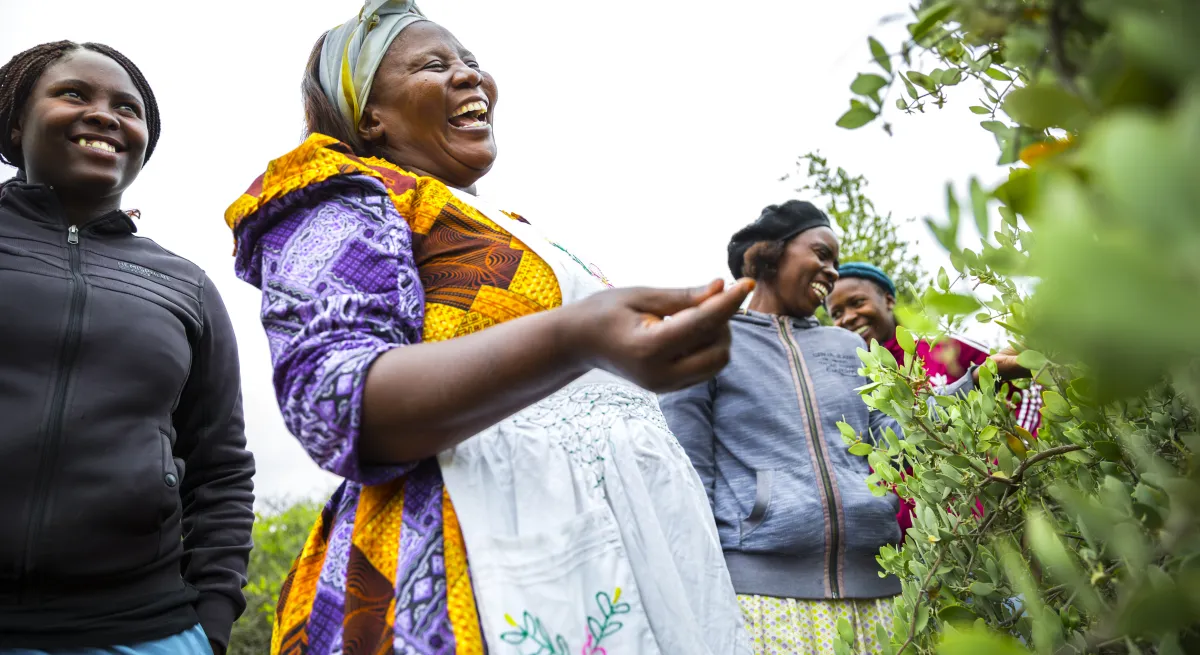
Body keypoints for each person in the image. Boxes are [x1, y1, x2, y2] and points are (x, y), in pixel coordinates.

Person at [223, 2, 752, 653]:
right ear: (370, 116)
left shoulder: (509, 225)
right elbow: (337, 400)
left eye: (471, 62)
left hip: (617, 564)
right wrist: (576, 336)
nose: (471, 77)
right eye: (434, 65)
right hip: (475, 568)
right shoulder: (343, 197)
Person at [0, 41, 255, 654]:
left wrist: (212, 623)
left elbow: (221, 466)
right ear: (14, 124)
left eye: (128, 108)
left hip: (146, 631)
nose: (106, 115)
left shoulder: (184, 285)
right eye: (72, 94)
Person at [658, 200, 970, 655]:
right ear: (771, 254)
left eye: (836, 262)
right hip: (762, 600)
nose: (831, 271)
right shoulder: (711, 339)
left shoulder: (848, 348)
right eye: (821, 254)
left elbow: (899, 436)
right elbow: (687, 477)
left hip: (880, 598)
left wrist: (978, 383)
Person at [826, 262, 1042, 536]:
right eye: (836, 313)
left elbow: (1021, 388)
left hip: (986, 516)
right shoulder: (852, 383)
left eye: (857, 302)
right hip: (914, 543)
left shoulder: (942, 347)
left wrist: (1014, 463)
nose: (848, 318)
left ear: (888, 300)